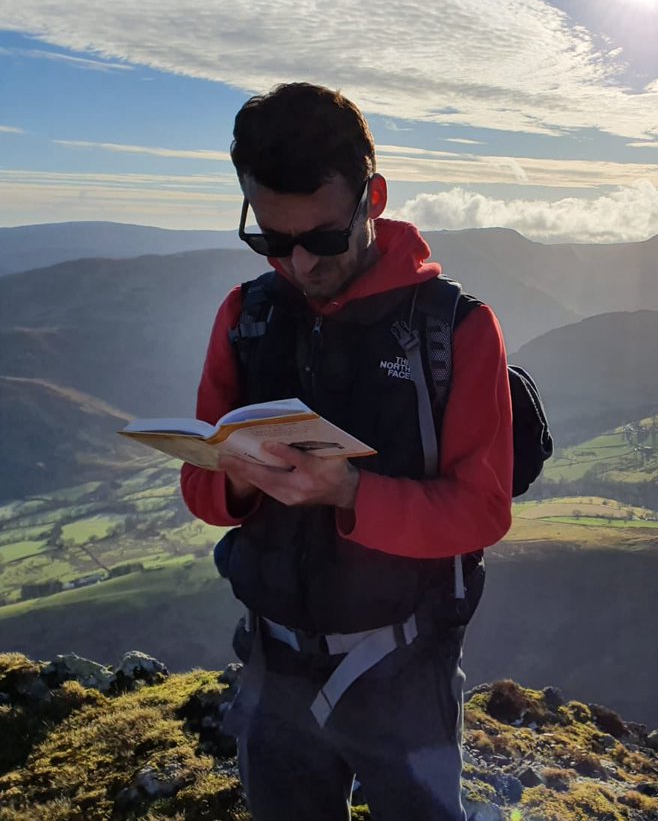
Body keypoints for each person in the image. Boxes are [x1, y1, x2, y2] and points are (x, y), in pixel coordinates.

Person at [181, 82, 513, 820]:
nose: (298, 263)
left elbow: (483, 510)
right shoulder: (246, 317)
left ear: (376, 197)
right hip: (272, 661)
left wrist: (352, 494)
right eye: (271, 238)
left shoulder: (455, 331)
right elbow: (200, 488)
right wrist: (232, 481)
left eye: (324, 238)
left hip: (402, 667)